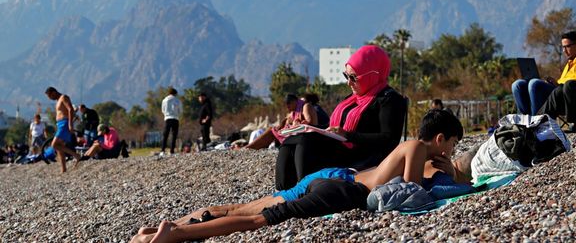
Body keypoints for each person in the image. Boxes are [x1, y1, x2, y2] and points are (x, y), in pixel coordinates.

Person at [129, 109, 462, 243]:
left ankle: (173, 225)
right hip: (341, 192)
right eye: (452, 144)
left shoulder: (423, 154)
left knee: (242, 208)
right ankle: (174, 235)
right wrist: (451, 175)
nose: (450, 151)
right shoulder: (417, 147)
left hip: (330, 176)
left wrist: (447, 169)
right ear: (439, 139)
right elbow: (411, 194)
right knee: (258, 221)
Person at [275, 45, 406, 190]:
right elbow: (334, 128)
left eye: (354, 77)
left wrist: (348, 135)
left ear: (373, 74)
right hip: (342, 147)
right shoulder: (353, 98)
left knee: (305, 142)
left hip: (361, 155)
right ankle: (283, 190)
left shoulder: (389, 100)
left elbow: (389, 139)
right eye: (346, 76)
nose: (348, 82)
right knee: (293, 139)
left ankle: (303, 189)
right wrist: (307, 127)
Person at [512, 31, 576, 115]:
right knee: (518, 84)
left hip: (566, 98)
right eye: (563, 47)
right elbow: (563, 81)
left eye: (567, 47)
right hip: (557, 91)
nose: (564, 51)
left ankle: (537, 122)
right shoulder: (570, 62)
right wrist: (554, 83)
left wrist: (558, 85)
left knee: (535, 84)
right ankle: (525, 121)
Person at [245, 94, 317, 150]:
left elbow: (310, 123)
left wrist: (298, 123)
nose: (288, 108)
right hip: (298, 133)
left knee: (271, 132)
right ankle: (249, 148)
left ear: (294, 102)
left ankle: (249, 148)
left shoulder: (306, 106)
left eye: (288, 106)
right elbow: (286, 120)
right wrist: (283, 124)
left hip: (309, 136)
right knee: (273, 130)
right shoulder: (295, 111)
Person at [44, 86, 82, 173]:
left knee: (54, 145)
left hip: (65, 124)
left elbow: (70, 109)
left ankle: (76, 155)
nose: (50, 99)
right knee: (59, 148)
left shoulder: (63, 97)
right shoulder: (58, 101)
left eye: (50, 96)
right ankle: (63, 169)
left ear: (53, 92)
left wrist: (70, 124)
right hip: (60, 124)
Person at [161, 88, 182, 155]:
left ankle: (162, 151)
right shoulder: (178, 100)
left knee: (165, 135)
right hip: (175, 118)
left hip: (167, 118)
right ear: (175, 93)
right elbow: (180, 110)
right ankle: (172, 151)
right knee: (174, 135)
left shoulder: (165, 100)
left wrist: (166, 115)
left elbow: (163, 110)